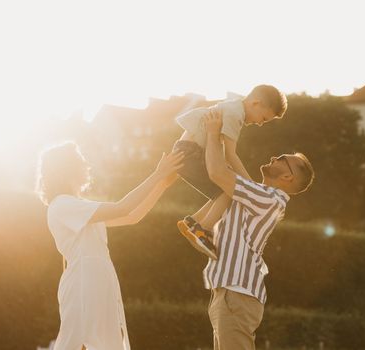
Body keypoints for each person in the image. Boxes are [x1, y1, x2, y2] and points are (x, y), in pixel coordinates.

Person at [36, 141, 183, 350]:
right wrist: (158, 174)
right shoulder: (62, 205)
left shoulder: (80, 207)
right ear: (67, 169)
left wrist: (162, 185)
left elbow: (133, 216)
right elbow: (122, 207)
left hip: (97, 278)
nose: (86, 165)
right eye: (80, 161)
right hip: (83, 281)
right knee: (77, 342)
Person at [202, 109, 314, 350]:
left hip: (236, 293)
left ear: (287, 176)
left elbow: (217, 172)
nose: (276, 156)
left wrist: (212, 133)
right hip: (227, 292)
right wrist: (225, 142)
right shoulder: (257, 194)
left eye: (283, 158)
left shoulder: (270, 199)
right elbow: (231, 165)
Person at [173, 85, 288, 260]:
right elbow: (230, 155)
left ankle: (193, 221)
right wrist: (250, 186)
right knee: (230, 189)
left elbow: (225, 158)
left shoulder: (233, 107)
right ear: (256, 103)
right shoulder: (235, 115)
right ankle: (203, 229)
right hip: (190, 154)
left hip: (187, 151)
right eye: (263, 118)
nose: (259, 123)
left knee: (225, 186)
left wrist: (238, 178)